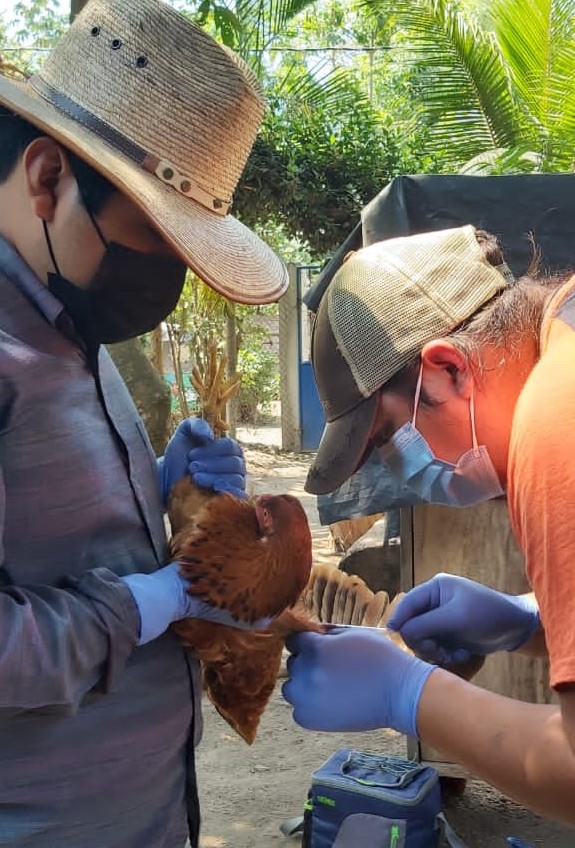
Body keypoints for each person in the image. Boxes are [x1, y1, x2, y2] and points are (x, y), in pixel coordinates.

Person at [0, 0, 286, 846]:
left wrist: (160, 491)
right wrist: (147, 602)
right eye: (148, 238)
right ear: (47, 177)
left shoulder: (68, 320)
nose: (160, 279)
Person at [282, 224, 575, 825]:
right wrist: (530, 622)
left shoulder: (555, 422)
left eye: (390, 436)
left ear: (447, 368)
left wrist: (408, 695)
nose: (403, 470)